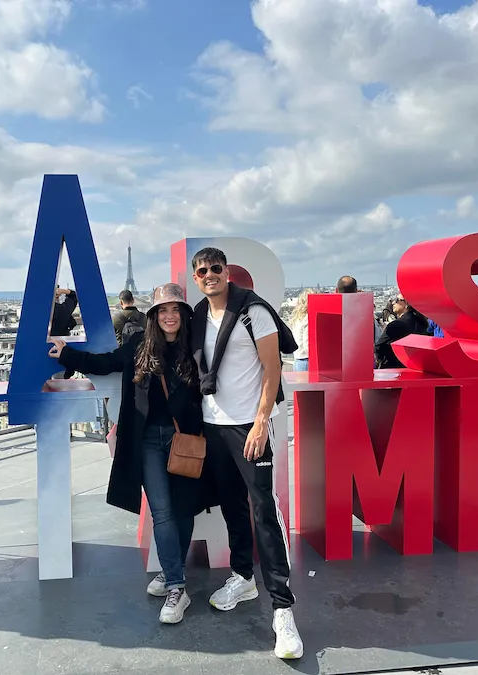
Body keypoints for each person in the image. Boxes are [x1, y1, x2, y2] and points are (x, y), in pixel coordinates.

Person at [48, 283, 213, 625]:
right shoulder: (139, 345)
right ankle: (177, 586)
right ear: (153, 316)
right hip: (148, 439)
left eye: (175, 310)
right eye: (162, 310)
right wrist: (67, 355)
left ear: (184, 314)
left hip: (186, 440)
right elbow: (106, 362)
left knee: (183, 510)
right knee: (163, 511)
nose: (169, 316)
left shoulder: (197, 348)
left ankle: (171, 572)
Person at [188, 247, 303, 661]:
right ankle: (242, 576)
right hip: (213, 423)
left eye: (215, 268)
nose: (209, 275)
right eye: (202, 271)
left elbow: (272, 370)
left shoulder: (255, 311)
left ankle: (283, 608)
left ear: (227, 272)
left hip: (247, 425)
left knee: (263, 512)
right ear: (196, 278)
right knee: (232, 506)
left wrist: (259, 423)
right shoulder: (199, 314)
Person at [288, 289, 313, 371]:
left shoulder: (297, 318)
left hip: (298, 360)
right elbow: (307, 344)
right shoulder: (307, 319)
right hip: (306, 360)